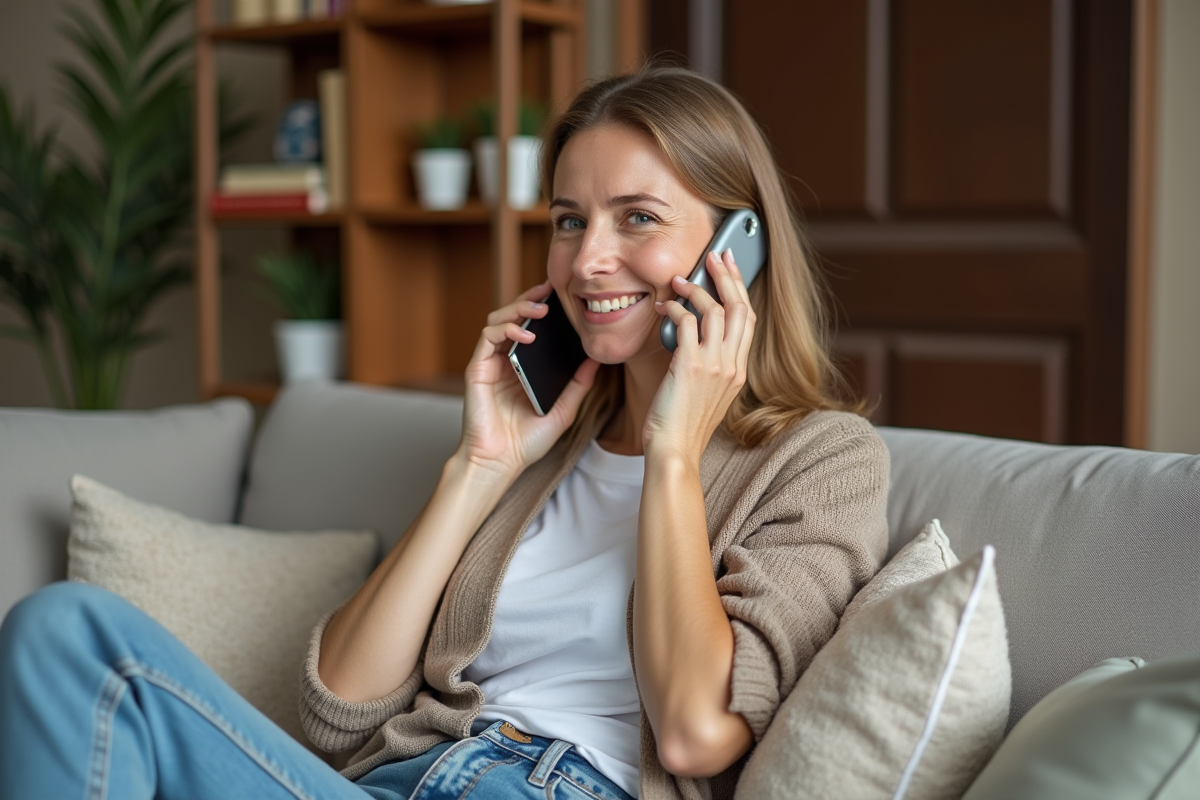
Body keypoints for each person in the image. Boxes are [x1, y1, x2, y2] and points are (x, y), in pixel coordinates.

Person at [0, 66, 888, 800]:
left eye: (638, 218)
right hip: (407, 783)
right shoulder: (548, 442)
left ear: (737, 248)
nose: (587, 262)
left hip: (561, 788)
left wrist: (672, 452)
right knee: (66, 632)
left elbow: (697, 733)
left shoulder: (822, 462)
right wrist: (478, 465)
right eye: (570, 221)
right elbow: (339, 708)